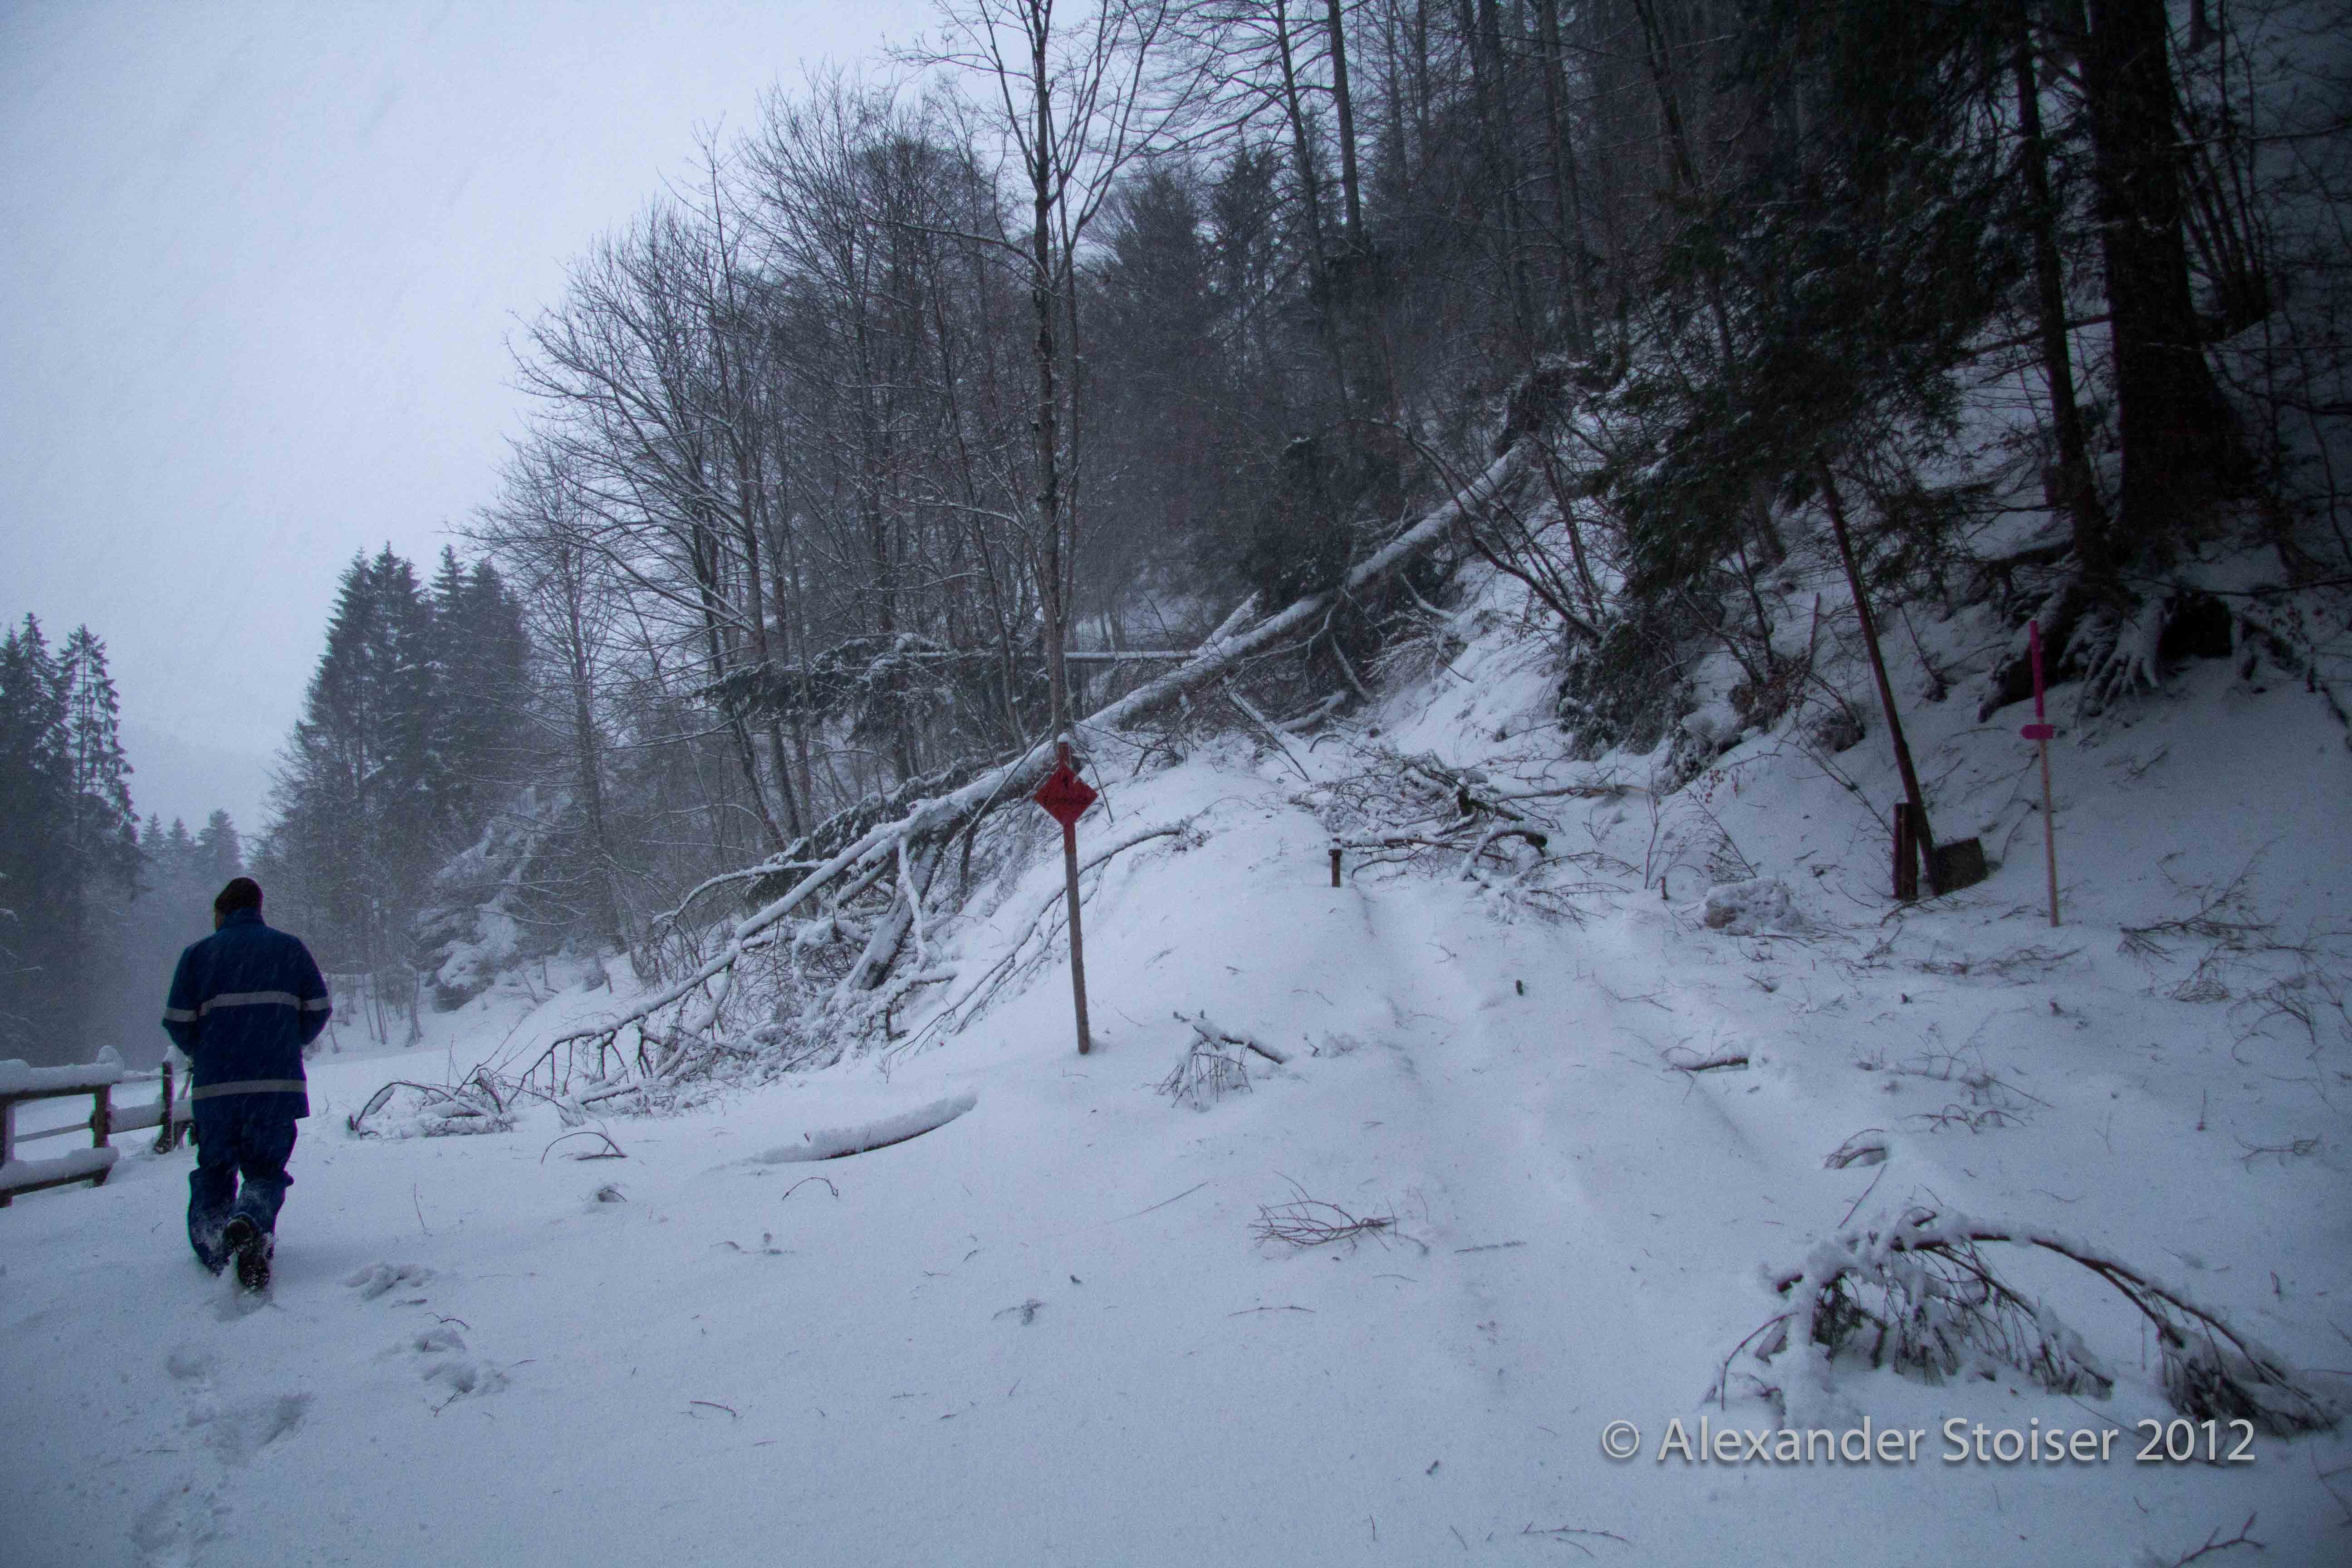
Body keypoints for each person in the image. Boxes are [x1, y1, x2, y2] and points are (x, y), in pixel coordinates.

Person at [161, 877, 332, 1290]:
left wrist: (206, 1052)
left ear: (222, 912)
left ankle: (216, 1250)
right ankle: (250, 1221)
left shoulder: (198, 956)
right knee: (266, 1171)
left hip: (217, 1092)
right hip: (275, 1088)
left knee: (215, 1171)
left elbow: (177, 1021)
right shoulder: (289, 950)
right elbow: (319, 1008)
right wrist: (286, 1041)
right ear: (258, 908)